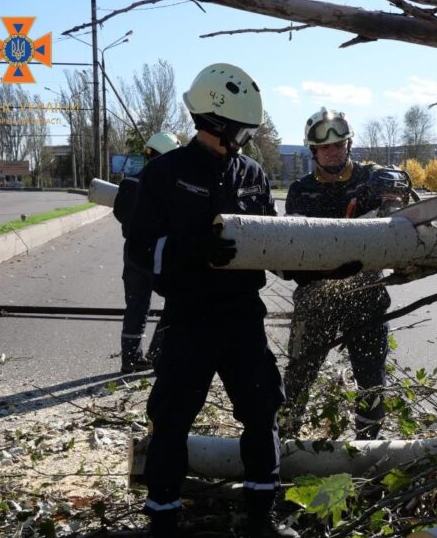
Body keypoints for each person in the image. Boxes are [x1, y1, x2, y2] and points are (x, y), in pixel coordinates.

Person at [126, 63, 299, 538]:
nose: (247, 136)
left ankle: (261, 516)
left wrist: (309, 263)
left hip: (243, 317)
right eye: (243, 128)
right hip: (189, 317)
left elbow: (272, 242)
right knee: (172, 417)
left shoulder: (252, 174)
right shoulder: (165, 174)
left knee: (262, 409)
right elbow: (140, 251)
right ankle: (163, 519)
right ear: (216, 121)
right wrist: (191, 250)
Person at [281, 108, 393, 441]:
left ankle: (367, 450)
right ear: (313, 151)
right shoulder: (301, 191)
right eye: (326, 147)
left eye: (339, 145)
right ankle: (283, 443)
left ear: (349, 144)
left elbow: (399, 202)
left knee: (371, 383)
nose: (333, 151)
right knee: (298, 375)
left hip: (367, 295)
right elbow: (292, 252)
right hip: (316, 296)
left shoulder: (370, 177)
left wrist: (390, 188)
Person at [113, 131, 180, 374]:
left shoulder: (129, 183)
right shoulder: (169, 187)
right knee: (174, 302)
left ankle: (130, 359)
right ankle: (158, 355)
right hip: (160, 254)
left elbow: (119, 213)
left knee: (135, 305)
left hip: (131, 253)